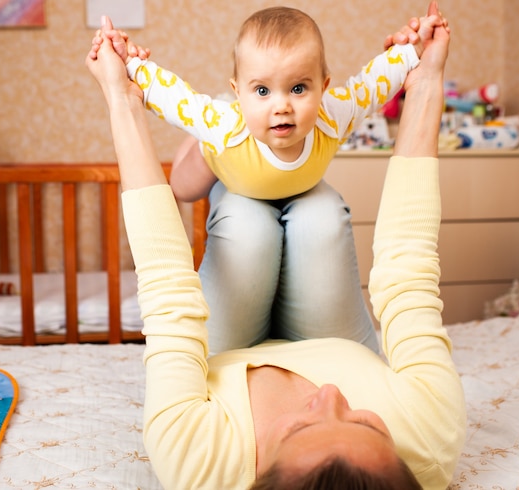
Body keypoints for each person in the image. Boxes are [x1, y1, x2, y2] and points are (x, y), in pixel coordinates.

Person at [86, 2, 466, 488]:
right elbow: (407, 269)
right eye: (366, 421)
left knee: (247, 218)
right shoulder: (430, 438)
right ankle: (225, 167)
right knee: (317, 211)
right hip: (336, 334)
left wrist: (123, 95)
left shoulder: (199, 461)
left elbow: (167, 292)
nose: (331, 393)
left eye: (305, 423)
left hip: (226, 348)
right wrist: (426, 77)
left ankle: (218, 169)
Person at [90, 8, 426, 355]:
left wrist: (413, 50)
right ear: (239, 93)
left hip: (301, 211)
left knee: (320, 217)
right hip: (235, 178)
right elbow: (174, 98)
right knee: (241, 211)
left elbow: (370, 87)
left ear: (323, 87)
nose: (281, 106)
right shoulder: (224, 125)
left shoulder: (332, 114)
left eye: (298, 88)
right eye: (262, 91)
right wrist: (130, 63)